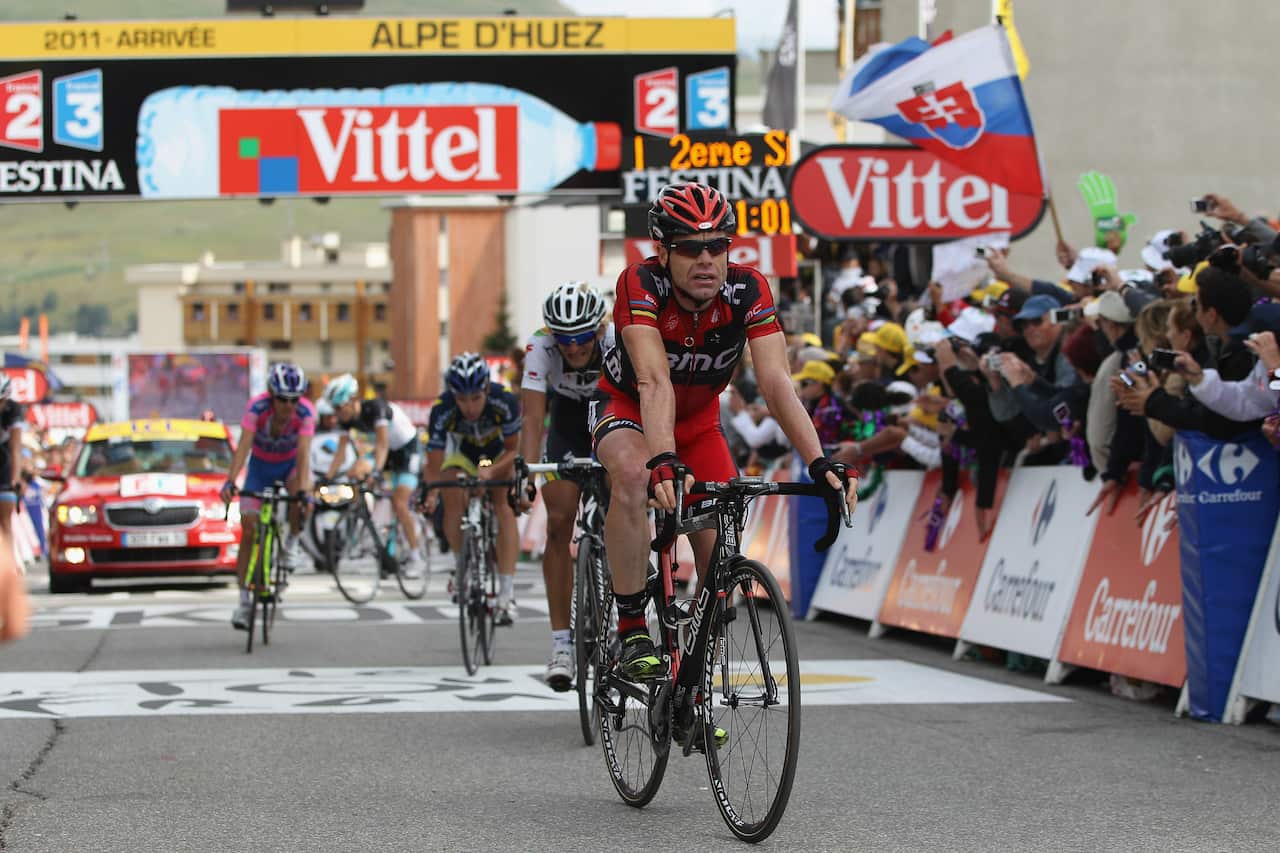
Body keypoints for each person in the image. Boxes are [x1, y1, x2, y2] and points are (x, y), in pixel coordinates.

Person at [593, 182, 858, 691]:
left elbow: (778, 385)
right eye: (691, 247)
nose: (707, 259)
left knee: (722, 559)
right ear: (663, 250)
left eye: (719, 245)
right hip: (630, 409)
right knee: (631, 475)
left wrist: (818, 461)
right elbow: (652, 379)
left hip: (699, 426)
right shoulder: (640, 284)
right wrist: (663, 457)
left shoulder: (749, 288)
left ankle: (690, 685)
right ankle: (631, 633)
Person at [516, 281, 612, 690]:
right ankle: (560, 645)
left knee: (623, 506)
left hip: (610, 413)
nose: (573, 348)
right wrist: (525, 472)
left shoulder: (615, 338)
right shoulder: (540, 346)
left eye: (581, 338)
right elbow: (533, 417)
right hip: (568, 422)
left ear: (598, 328)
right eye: (564, 339)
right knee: (558, 522)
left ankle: (626, 618)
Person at [421, 353, 522, 624]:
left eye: (476, 398)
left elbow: (516, 450)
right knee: (450, 491)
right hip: (462, 457)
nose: (469, 407)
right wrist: (431, 492)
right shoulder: (442, 409)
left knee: (503, 503)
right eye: (462, 399)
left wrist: (492, 472)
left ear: (487, 390)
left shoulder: (504, 400)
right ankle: (461, 563)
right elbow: (435, 462)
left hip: (499, 455)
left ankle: (506, 592)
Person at [220, 362, 316, 631]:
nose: (289, 406)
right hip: (260, 468)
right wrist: (230, 481)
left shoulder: (306, 412)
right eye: (283, 400)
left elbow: (305, 453)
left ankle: (293, 543)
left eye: (294, 400)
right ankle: (243, 602)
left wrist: (304, 493)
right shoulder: (256, 408)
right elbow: (243, 447)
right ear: (271, 396)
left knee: (300, 494)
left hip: (289, 467)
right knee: (249, 530)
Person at [323, 374, 428, 582]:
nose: (336, 414)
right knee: (354, 472)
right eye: (333, 409)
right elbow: (340, 453)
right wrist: (327, 478)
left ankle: (416, 557)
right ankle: (371, 527)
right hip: (386, 453)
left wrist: (376, 473)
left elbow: (382, 444)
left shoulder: (376, 408)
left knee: (399, 502)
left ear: (352, 400)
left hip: (407, 450)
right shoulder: (347, 420)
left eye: (339, 408)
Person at [0, 375, 25, 538]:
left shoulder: (13, 409)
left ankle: (7, 559)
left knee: (5, 523)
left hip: (4, 457)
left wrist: (15, 481)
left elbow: (15, 448)